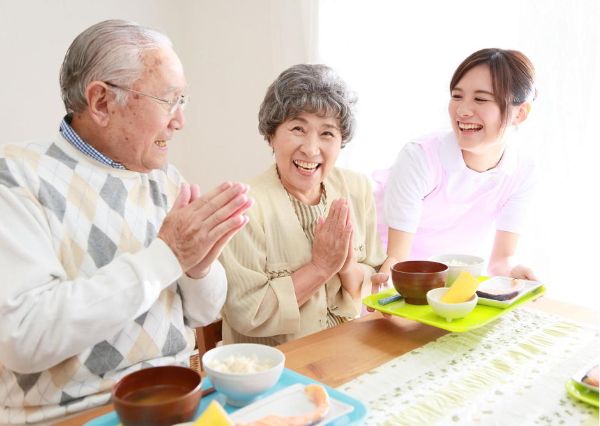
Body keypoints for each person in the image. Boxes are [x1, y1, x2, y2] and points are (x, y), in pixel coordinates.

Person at [0, 20, 252, 424]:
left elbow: (203, 312)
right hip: (71, 415)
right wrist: (167, 255)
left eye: (183, 98)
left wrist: (199, 266)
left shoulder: (164, 178)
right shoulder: (17, 177)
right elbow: (25, 337)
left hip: (180, 403)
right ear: (101, 102)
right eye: (169, 100)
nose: (180, 120)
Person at [219, 64, 386, 345]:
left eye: (327, 133)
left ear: (341, 141)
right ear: (271, 134)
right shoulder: (244, 207)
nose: (311, 149)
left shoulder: (356, 188)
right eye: (298, 128)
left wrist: (346, 267)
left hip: (347, 349)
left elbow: (374, 282)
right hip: (273, 370)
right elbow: (247, 313)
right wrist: (320, 267)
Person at [375, 48, 538, 287]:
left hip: (445, 285)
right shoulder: (420, 158)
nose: (462, 111)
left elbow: (501, 261)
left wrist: (515, 273)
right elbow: (396, 258)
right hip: (383, 274)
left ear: (519, 113)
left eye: (480, 99)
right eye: (457, 96)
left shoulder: (522, 171)